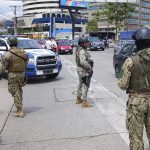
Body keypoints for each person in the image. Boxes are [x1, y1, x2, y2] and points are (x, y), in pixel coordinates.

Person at [118, 27, 150, 150]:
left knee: (136, 137)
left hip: (137, 103)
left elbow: (122, 85)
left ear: (137, 43)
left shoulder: (131, 61)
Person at [2, 36, 28, 118]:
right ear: (17, 43)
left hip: (12, 75)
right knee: (19, 90)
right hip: (21, 74)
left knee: (14, 91)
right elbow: (26, 62)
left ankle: (19, 110)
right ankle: (19, 105)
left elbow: (3, 66)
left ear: (9, 44)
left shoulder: (8, 54)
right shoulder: (22, 52)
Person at [75, 37, 93, 108]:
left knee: (80, 84)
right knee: (85, 85)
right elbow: (83, 62)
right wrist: (89, 67)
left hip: (80, 69)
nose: (87, 44)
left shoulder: (79, 50)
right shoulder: (82, 51)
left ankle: (78, 98)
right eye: (86, 43)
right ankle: (84, 102)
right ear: (82, 44)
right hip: (83, 70)